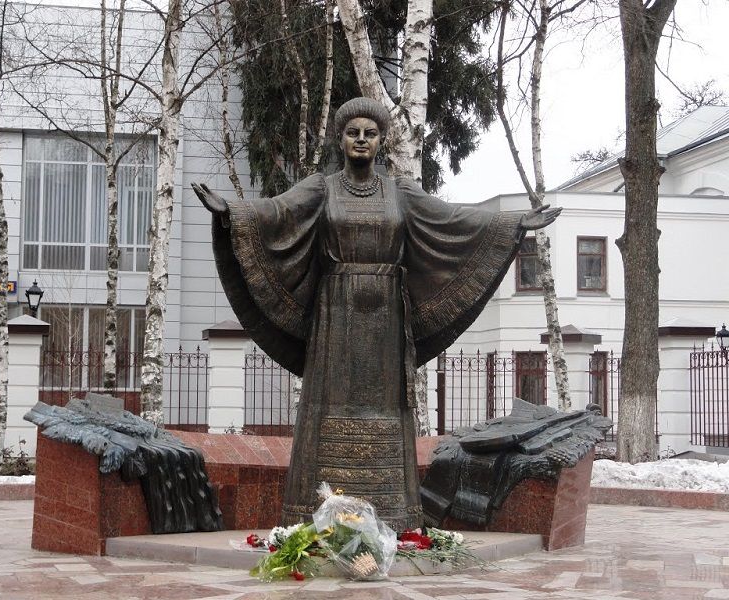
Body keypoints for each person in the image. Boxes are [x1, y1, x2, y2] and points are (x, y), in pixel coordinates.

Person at [193, 97, 561, 530]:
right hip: (335, 311)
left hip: (387, 315)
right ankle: (316, 512)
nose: (362, 140)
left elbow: (456, 219)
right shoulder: (321, 187)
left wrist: (513, 222)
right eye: (353, 133)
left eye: (370, 133)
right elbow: (278, 211)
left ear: (382, 141)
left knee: (386, 408)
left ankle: (393, 514)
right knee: (328, 403)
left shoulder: (400, 192)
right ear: (340, 139)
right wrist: (233, 211)